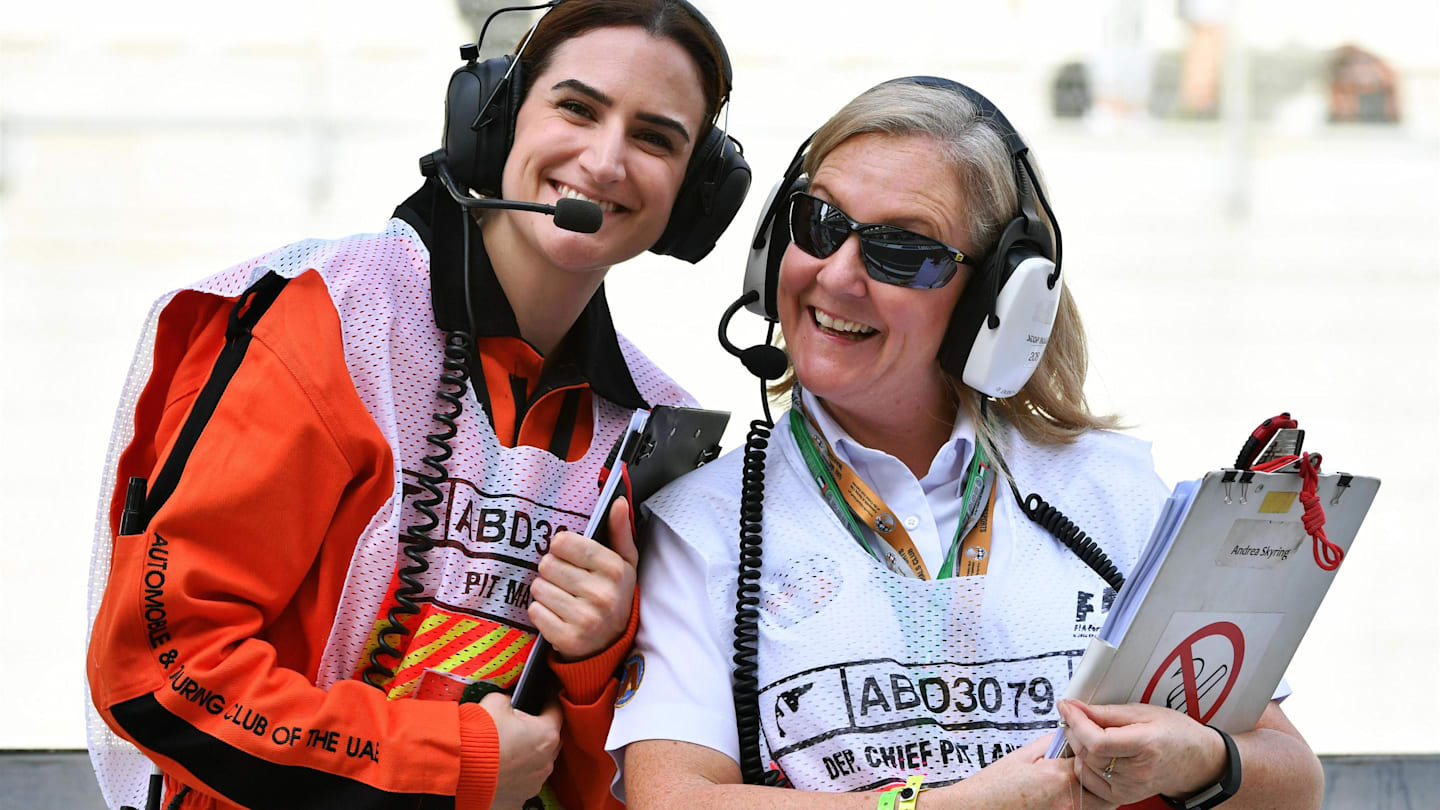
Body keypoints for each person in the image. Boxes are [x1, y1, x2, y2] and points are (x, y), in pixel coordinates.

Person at [84, 2, 747, 809]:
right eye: (577, 107)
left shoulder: (657, 428)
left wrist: (591, 666)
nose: (606, 161)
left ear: (698, 193)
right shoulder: (328, 320)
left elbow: (611, 792)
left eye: (655, 137)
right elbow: (161, 668)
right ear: (492, 119)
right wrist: (456, 759)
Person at [607, 78, 1325, 810]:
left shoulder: (1113, 492)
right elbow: (672, 799)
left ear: (997, 301)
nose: (837, 273)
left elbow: (1296, 782)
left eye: (902, 250)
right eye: (818, 223)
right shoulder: (701, 522)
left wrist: (1202, 758)